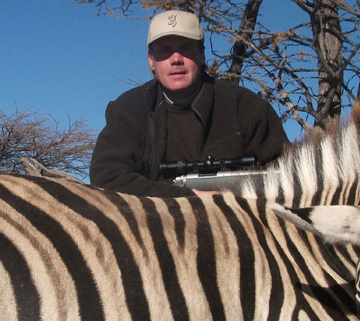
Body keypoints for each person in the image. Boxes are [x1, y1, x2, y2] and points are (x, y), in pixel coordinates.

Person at [89, 10, 289, 197]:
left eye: (186, 48)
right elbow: (106, 177)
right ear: (151, 60)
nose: (176, 59)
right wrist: (187, 197)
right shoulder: (128, 109)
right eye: (165, 51)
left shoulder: (248, 107)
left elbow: (287, 174)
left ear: (202, 55)